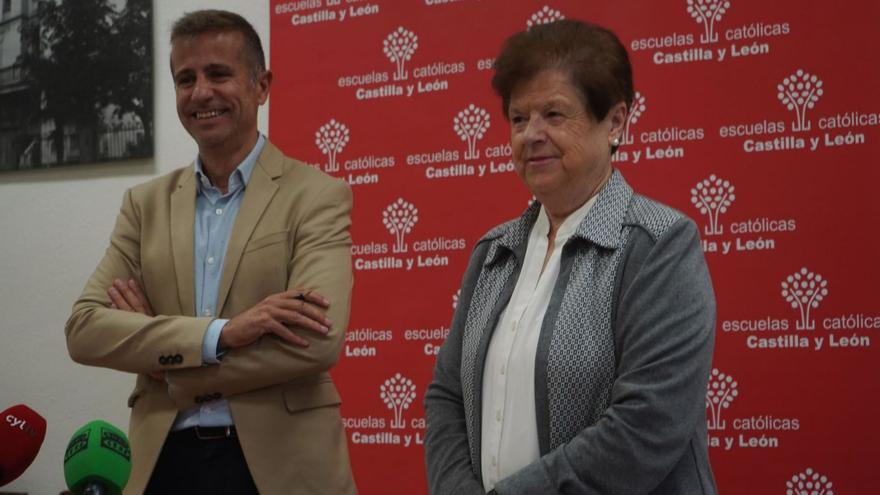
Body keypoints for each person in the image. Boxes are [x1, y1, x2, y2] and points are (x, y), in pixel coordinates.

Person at [65, 10, 356, 495]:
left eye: (219, 73)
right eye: (185, 79)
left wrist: (169, 363)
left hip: (280, 468)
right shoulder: (144, 206)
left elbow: (318, 339)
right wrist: (222, 334)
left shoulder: (317, 195)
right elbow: (84, 330)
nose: (201, 92)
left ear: (261, 85)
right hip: (161, 465)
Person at [424, 19, 717, 495]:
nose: (531, 135)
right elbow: (447, 397)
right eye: (519, 119)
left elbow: (646, 426)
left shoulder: (659, 245)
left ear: (616, 122)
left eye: (554, 115)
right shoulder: (493, 252)